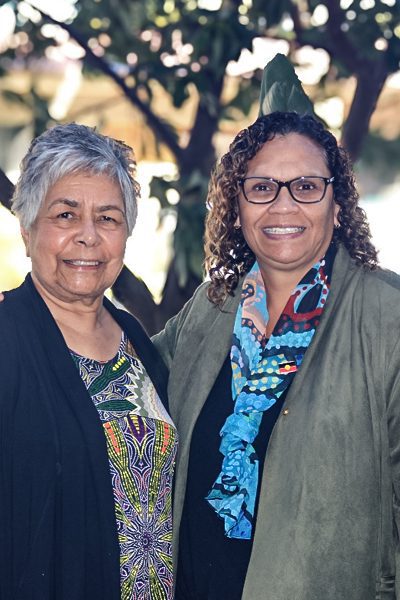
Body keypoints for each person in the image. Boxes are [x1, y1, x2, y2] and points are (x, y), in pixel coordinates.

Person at [152, 111, 400, 600]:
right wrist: (42, 312)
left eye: (306, 186)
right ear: (237, 206)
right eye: (262, 187)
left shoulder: (386, 317)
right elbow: (123, 378)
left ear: (337, 205)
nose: (283, 205)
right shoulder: (210, 308)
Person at [0, 123, 177, 600]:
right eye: (65, 215)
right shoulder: (6, 341)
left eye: (108, 218)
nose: (88, 237)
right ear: (27, 227)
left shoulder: (136, 340)